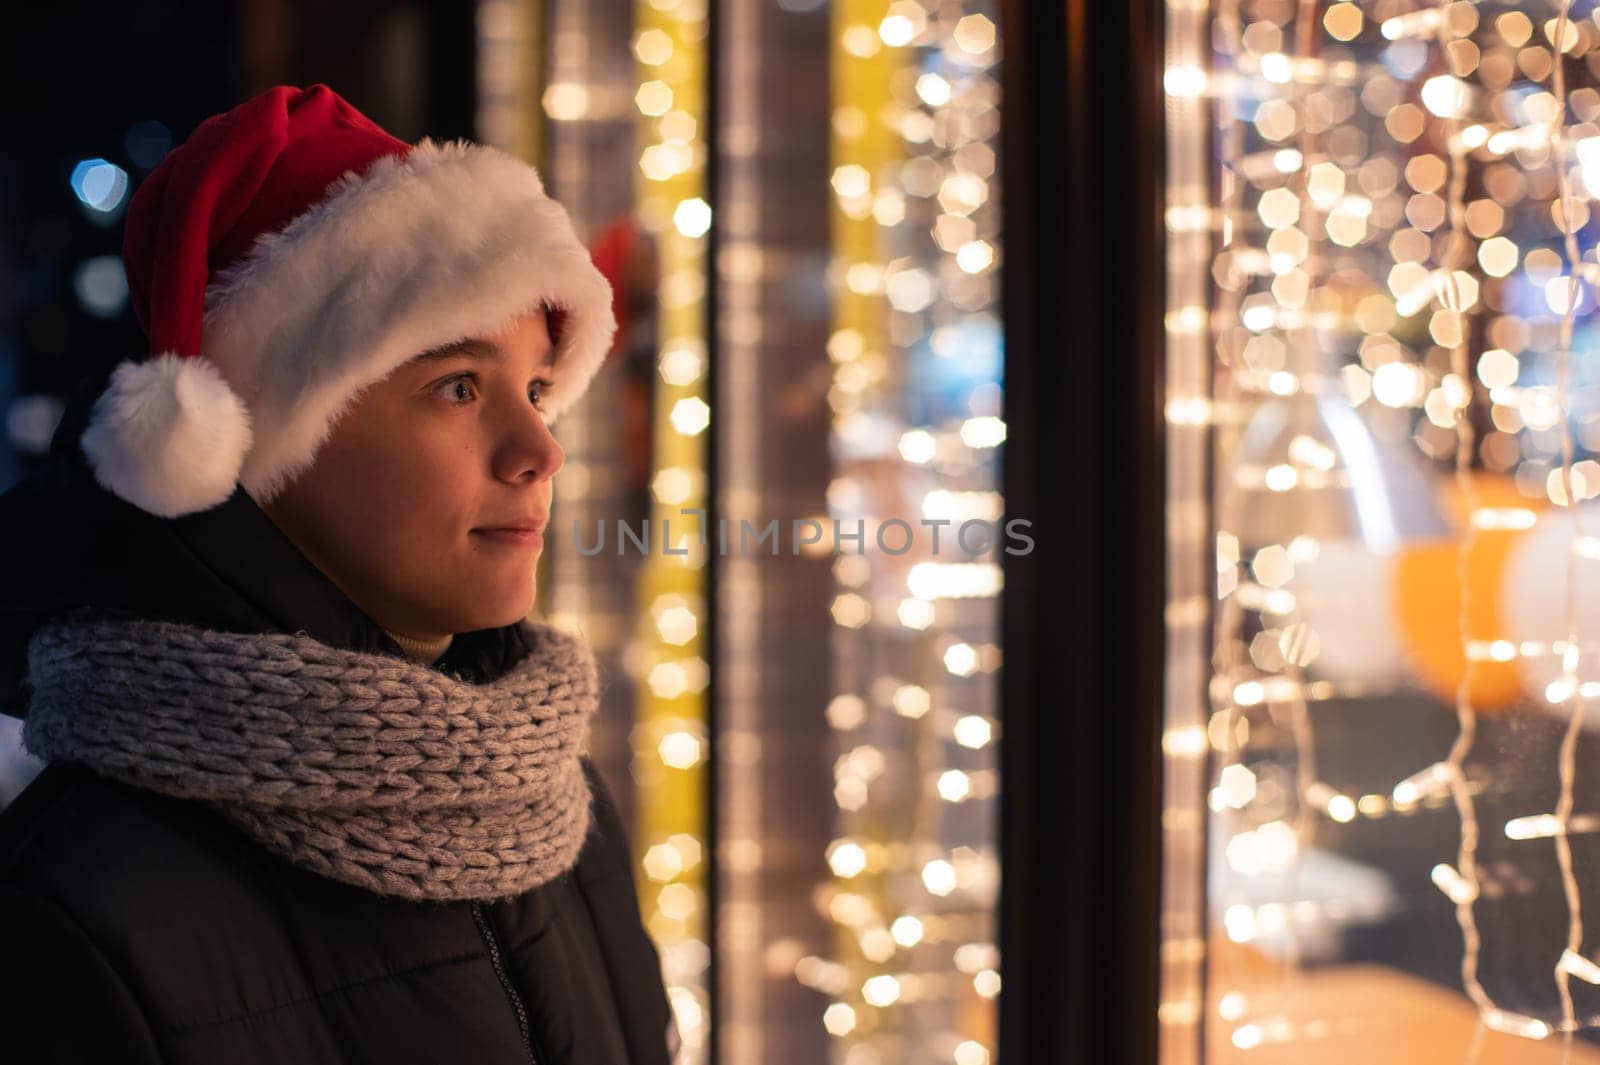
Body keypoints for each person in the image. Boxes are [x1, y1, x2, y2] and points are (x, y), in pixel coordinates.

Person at [0, 84, 676, 1064]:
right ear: (266, 441)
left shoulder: (555, 797)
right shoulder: (79, 909)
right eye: (458, 387)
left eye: (538, 387)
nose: (540, 447)